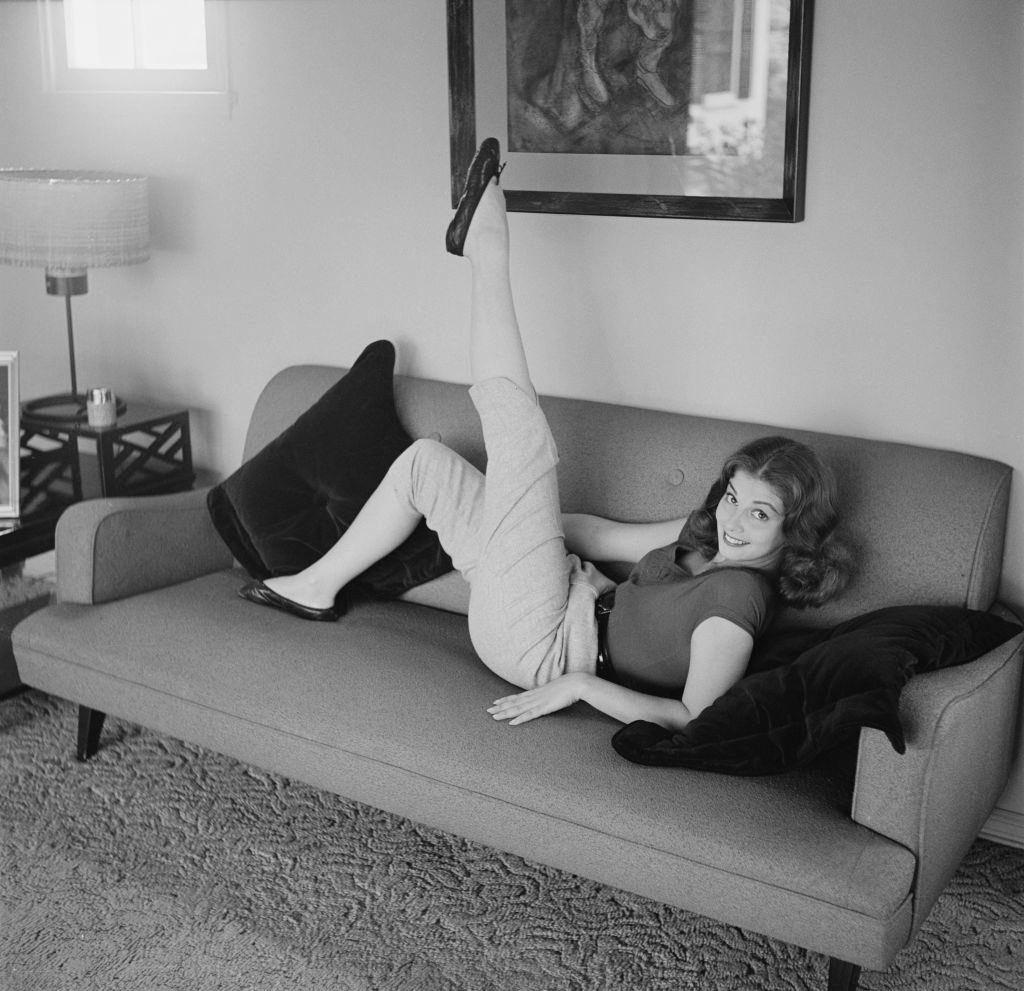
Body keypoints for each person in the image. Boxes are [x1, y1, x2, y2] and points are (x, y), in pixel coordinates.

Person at [240, 138, 851, 731]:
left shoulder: (740, 599)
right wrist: (525, 528)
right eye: (734, 498)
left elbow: (693, 718)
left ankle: (489, 251)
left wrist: (581, 685)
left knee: (522, 441)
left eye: (760, 514)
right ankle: (316, 586)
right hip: (562, 592)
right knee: (428, 465)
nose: (734, 521)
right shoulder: (712, 536)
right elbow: (602, 534)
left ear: (794, 530)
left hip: (546, 647)